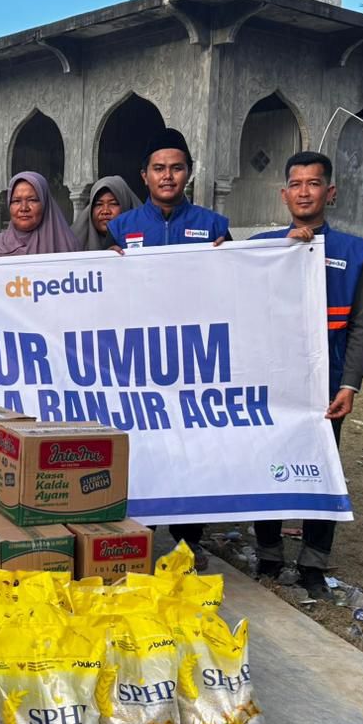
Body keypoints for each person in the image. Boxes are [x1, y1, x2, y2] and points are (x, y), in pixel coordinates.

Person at [250, 150, 363, 599]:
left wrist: (350, 384)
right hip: (271, 384)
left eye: (314, 183)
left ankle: (312, 565)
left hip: (326, 389)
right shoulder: (263, 247)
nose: (304, 192)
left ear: (330, 192)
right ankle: (268, 555)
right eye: (296, 184)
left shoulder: (353, 253)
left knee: (320, 471)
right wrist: (281, 251)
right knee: (267, 466)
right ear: (284, 194)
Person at [104, 127, 229, 561]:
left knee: (192, 448)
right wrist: (107, 266)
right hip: (139, 362)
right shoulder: (121, 229)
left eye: (176, 168)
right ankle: (140, 536)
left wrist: (230, 260)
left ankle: (188, 543)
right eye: (159, 168)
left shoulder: (214, 227)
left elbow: (236, 290)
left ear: (189, 172)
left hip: (194, 359)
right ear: (144, 175)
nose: (168, 176)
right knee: (145, 447)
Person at [0, 171, 80, 258]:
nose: (24, 208)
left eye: (32, 200)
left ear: (45, 204)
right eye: (16, 201)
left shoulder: (68, 247)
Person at [72, 175, 140, 251]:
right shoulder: (73, 245)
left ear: (125, 204)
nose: (105, 211)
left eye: (113, 204)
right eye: (99, 204)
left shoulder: (144, 239)